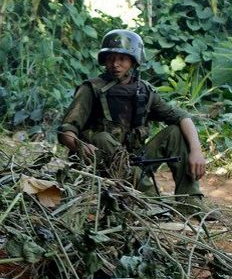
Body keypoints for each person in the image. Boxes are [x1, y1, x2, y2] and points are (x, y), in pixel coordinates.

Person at [57, 29, 219, 220]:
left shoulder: (145, 91)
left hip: (136, 160)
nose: (115, 64)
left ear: (134, 61)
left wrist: (196, 150)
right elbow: (66, 130)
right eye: (110, 58)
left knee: (175, 132)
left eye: (122, 59)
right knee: (102, 138)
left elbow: (182, 117)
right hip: (101, 167)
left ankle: (189, 201)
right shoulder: (91, 89)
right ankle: (149, 200)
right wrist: (80, 145)